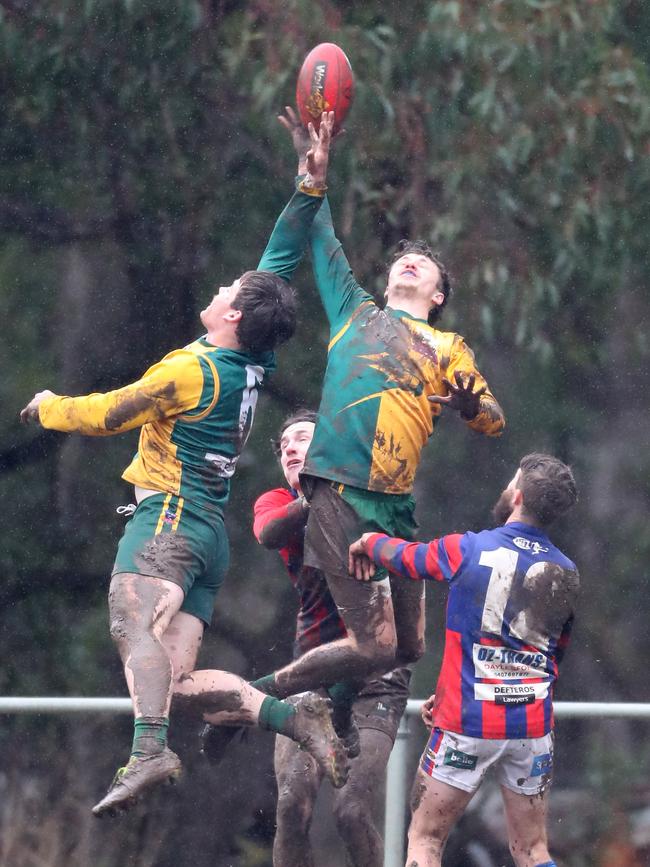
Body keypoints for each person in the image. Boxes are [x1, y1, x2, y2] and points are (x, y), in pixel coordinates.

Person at [20, 113, 349, 816]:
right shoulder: (254, 359)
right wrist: (308, 185)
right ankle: (296, 717)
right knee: (170, 683)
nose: (226, 285)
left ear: (233, 313)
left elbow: (108, 413)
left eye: (231, 286)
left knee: (127, 618)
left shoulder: (191, 370)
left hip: (165, 518)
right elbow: (280, 261)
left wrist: (49, 405)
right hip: (209, 538)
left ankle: (147, 752)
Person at [249, 109, 505, 732]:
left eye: (424, 263)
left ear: (439, 295)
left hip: (394, 504)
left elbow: (494, 420)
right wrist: (314, 174)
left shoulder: (450, 350)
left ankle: (327, 707)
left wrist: (473, 407)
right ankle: (256, 699)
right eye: (402, 260)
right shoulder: (354, 312)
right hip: (338, 492)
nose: (409, 262)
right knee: (375, 645)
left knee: (410, 646)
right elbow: (321, 240)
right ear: (388, 279)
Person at [348, 453, 579, 867]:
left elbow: (409, 559)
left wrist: (369, 542)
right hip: (531, 726)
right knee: (532, 849)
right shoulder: (566, 571)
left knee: (426, 839)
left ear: (518, 496)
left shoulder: (470, 547)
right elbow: (548, 656)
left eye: (511, 481)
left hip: (468, 723)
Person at [252, 409, 412, 867]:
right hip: (315, 669)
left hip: (379, 675)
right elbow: (267, 533)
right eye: (283, 444)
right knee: (290, 806)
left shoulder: (369, 496)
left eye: (302, 438)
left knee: (352, 811)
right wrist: (313, 497)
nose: (289, 448)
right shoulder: (276, 502)